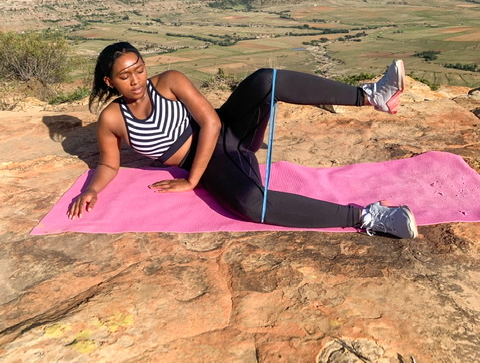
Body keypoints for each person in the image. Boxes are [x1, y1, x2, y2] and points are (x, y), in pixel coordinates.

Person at [67, 42, 418, 239]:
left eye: (139, 69)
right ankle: (369, 217)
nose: (136, 80)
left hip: (228, 129)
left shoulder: (169, 81)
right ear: (110, 82)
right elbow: (109, 163)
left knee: (266, 79)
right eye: (124, 76)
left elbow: (210, 122)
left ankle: (371, 95)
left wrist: (191, 181)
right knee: (251, 205)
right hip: (215, 162)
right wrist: (92, 190)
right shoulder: (112, 119)